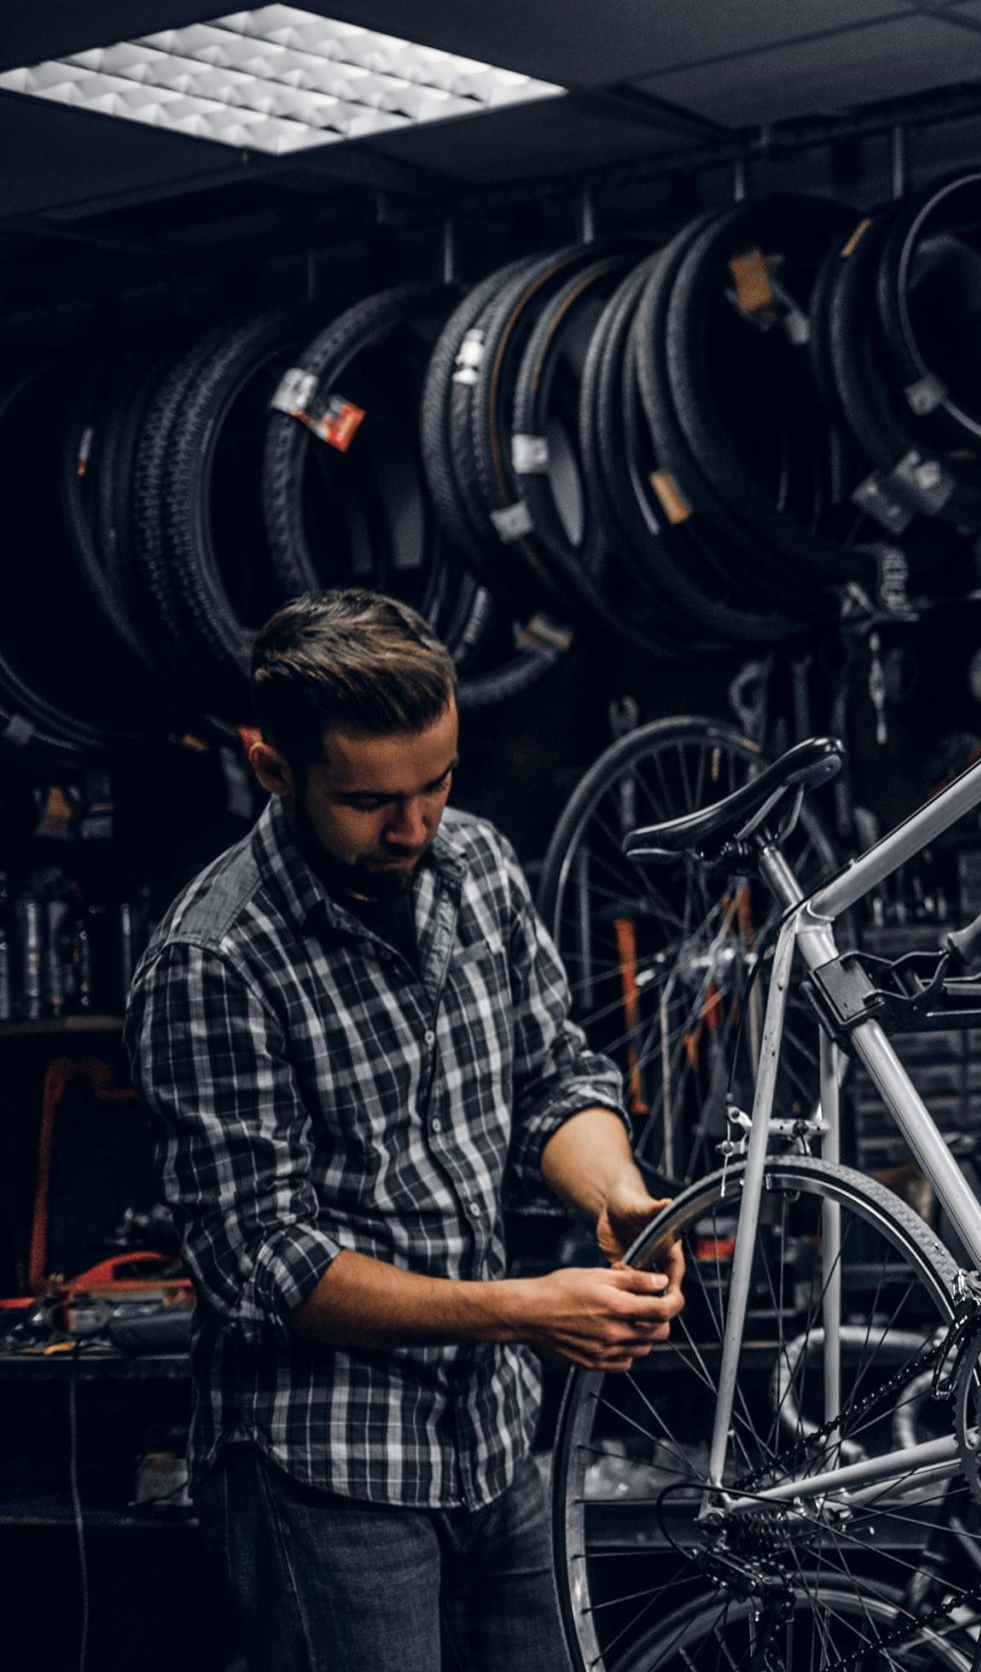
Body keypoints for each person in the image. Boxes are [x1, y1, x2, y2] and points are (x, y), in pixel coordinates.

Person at [132, 590, 682, 1672]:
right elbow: (266, 1264)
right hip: (323, 1467)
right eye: (370, 801)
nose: (414, 826)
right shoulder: (214, 963)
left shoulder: (476, 868)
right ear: (272, 766)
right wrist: (521, 1312)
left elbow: (551, 1079)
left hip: (492, 1444)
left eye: (436, 783)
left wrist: (609, 1190)